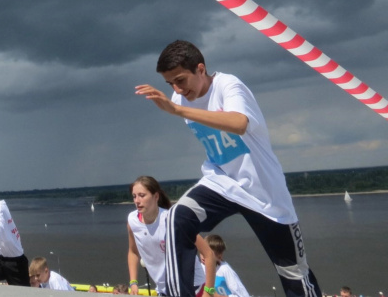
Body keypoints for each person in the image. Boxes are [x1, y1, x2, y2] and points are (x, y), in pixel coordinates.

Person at [135, 40, 322, 297]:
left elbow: (239, 123)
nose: (176, 89)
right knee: (178, 218)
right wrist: (179, 104)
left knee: (294, 272)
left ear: (201, 69)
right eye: (170, 84)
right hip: (222, 181)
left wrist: (177, 109)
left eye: (180, 80)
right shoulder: (181, 97)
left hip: (263, 192)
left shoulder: (229, 85)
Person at [127, 176, 215, 296]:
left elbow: (209, 254)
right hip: (164, 290)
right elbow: (133, 252)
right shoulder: (132, 221)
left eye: (142, 195)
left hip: (192, 288)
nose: (137, 200)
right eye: (134, 196)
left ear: (156, 196)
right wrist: (133, 282)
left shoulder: (173, 220)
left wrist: (208, 292)